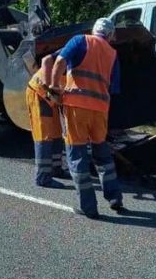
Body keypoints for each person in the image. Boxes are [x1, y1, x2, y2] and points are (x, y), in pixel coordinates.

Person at [50, 18, 124, 219]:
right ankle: (114, 196)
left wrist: (54, 86)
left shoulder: (80, 40)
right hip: (100, 110)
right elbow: (113, 88)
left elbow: (59, 61)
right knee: (103, 155)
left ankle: (88, 207)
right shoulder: (113, 53)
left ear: (94, 30)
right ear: (109, 35)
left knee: (77, 156)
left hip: (76, 107)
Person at [26, 53, 69, 188]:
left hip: (53, 97)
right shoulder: (74, 48)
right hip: (40, 93)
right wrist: (47, 87)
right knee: (44, 134)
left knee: (56, 132)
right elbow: (46, 60)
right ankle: (43, 177)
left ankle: (56, 169)